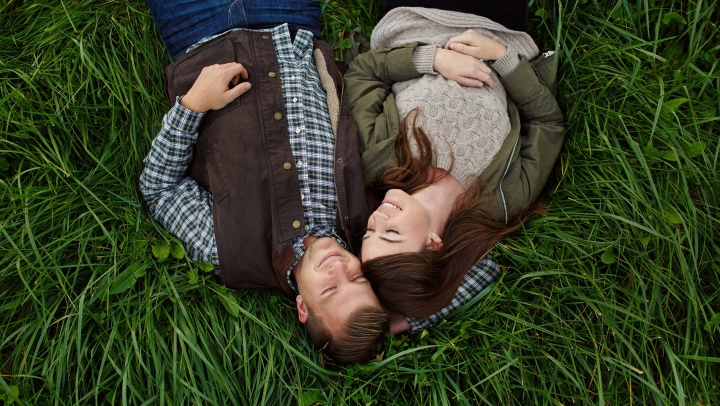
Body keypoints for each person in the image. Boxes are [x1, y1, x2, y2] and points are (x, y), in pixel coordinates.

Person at [139, 0, 501, 363]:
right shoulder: (370, 222)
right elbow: (482, 266)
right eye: (357, 280)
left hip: (200, 33)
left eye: (330, 290)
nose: (338, 267)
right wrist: (400, 321)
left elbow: (159, 189)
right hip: (289, 20)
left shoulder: (230, 252)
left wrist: (193, 106)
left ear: (302, 307)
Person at [344, 6, 565, 318]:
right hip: (494, 25)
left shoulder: (378, 159)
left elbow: (364, 72)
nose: (377, 218)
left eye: (369, 231)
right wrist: (501, 57)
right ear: (433, 242)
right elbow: (548, 123)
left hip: (413, 19)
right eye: (390, 233)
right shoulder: (504, 197)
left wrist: (432, 59)